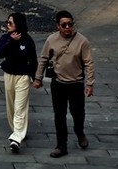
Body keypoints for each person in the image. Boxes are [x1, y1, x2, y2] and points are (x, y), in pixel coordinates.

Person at [33, 10, 95, 158]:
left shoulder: (82, 41)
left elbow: (89, 63)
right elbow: (43, 59)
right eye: (64, 25)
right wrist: (38, 78)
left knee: (78, 113)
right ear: (58, 26)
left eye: (70, 24)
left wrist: (90, 84)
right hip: (58, 84)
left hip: (76, 83)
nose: (68, 27)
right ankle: (61, 145)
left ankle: (79, 132)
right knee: (59, 115)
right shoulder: (51, 40)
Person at [0, 11, 37, 153]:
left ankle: (16, 138)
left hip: (23, 77)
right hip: (9, 75)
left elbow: (33, 60)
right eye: (7, 22)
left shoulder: (27, 40)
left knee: (20, 107)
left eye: (10, 23)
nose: (7, 25)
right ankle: (18, 131)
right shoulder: (5, 38)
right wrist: (11, 42)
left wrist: (35, 78)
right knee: (11, 106)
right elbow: (0, 52)